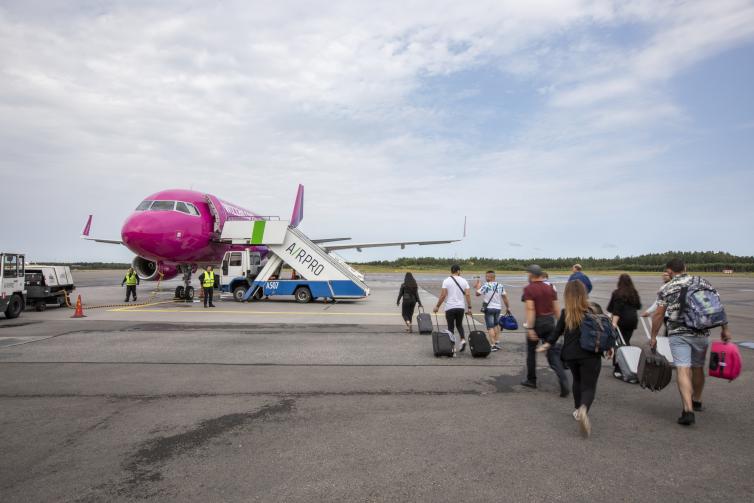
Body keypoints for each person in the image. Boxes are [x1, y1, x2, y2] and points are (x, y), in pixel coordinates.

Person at [651, 258, 732, 426]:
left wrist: (653, 336)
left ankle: (687, 410)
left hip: (678, 333)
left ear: (670, 271)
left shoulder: (667, 287)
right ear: (685, 268)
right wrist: (725, 329)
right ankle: (697, 400)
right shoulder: (703, 282)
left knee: (682, 368)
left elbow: (658, 314)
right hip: (701, 332)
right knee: (697, 367)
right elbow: (717, 306)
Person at [539, 280, 612, 438]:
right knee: (589, 386)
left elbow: (557, 332)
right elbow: (605, 329)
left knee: (577, 381)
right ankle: (584, 409)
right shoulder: (595, 308)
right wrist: (609, 347)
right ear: (584, 293)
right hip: (591, 353)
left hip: (571, 355)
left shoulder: (567, 312)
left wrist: (546, 345)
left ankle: (577, 410)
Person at [521, 265, 569, 397]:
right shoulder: (550, 288)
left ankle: (532, 380)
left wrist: (530, 328)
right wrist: (561, 326)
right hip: (550, 322)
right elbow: (557, 309)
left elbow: (530, 309)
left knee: (531, 352)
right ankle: (563, 378)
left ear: (531, 275)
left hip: (537, 322)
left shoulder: (529, 289)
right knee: (552, 352)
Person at [607, 274, 642, 380]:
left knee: (619, 344)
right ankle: (629, 365)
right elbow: (639, 306)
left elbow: (614, 310)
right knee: (626, 341)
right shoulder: (634, 293)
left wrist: (613, 323)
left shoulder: (617, 293)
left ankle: (619, 368)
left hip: (621, 321)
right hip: (632, 320)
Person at [433, 264, 472, 352]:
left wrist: (437, 306)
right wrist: (469, 307)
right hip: (460, 307)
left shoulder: (446, 281)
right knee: (459, 324)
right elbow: (468, 294)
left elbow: (443, 295)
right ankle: (462, 340)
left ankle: (452, 346)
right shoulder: (464, 281)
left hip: (450, 307)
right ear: (458, 271)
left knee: (450, 327)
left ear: (451, 271)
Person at [475, 271, 510, 351]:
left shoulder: (486, 285)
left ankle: (493, 345)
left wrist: (478, 286)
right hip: (498, 308)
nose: (485, 278)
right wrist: (508, 307)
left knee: (490, 326)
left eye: (487, 276)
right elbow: (505, 297)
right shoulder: (500, 286)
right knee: (496, 325)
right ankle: (497, 341)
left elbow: (477, 294)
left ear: (491, 277)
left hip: (489, 308)